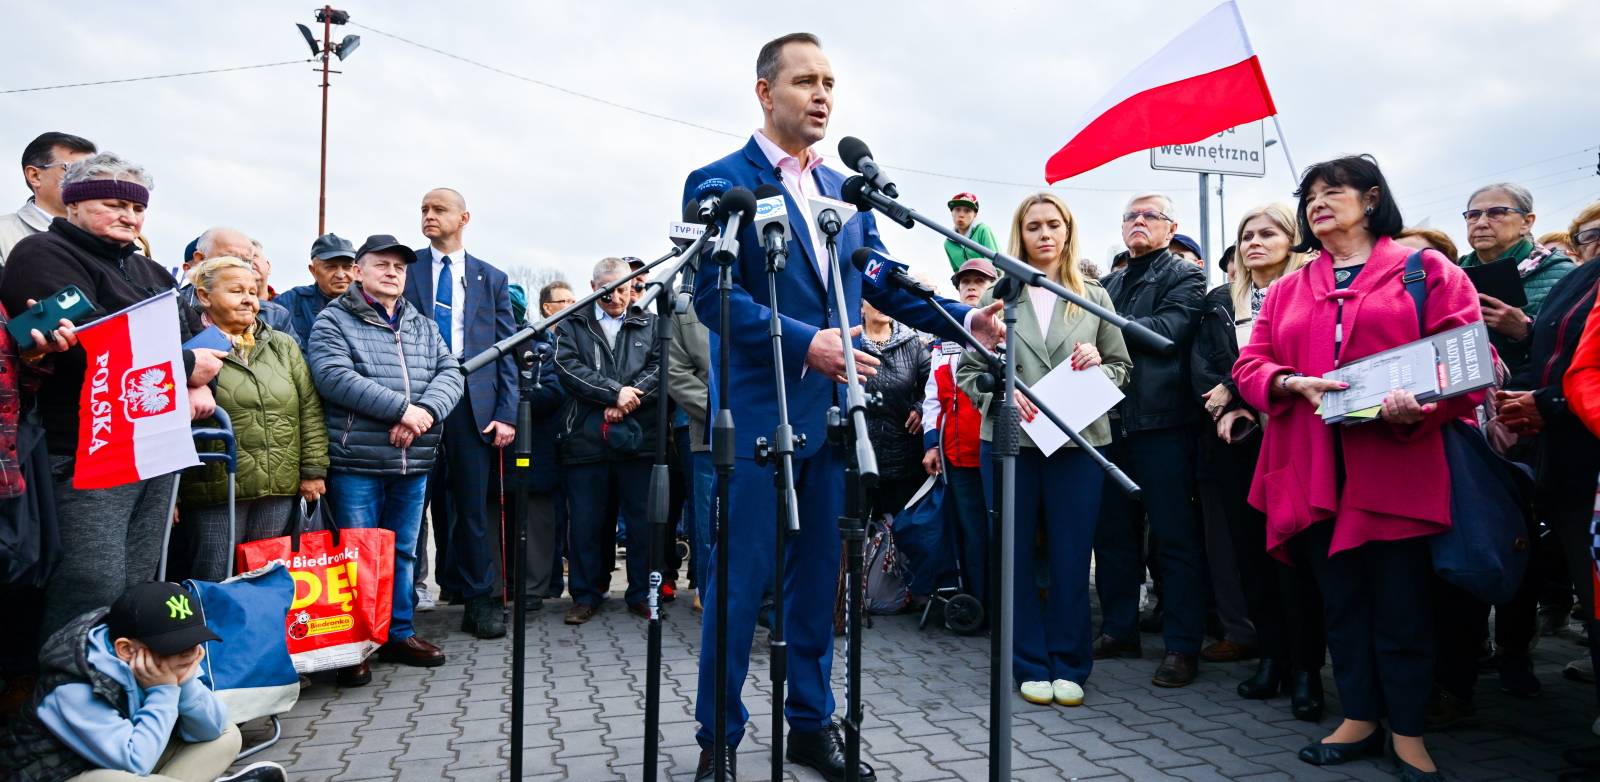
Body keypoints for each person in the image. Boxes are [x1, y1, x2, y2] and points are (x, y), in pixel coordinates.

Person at [682, 32, 1002, 782]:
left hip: (835, 421)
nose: (822, 94)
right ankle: (718, 741)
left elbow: (879, 279)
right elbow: (711, 295)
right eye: (805, 81)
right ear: (766, 92)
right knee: (738, 585)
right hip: (760, 420)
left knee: (819, 581)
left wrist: (965, 323)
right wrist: (806, 343)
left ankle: (809, 725)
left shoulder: (846, 193)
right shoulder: (719, 179)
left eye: (829, 82)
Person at [1234, 154, 1483, 780]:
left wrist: (1417, 407)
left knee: (1402, 605)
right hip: (1311, 467)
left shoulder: (1427, 270)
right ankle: (1360, 717)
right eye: (1309, 196)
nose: (1317, 204)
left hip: (1396, 464)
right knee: (1340, 602)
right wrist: (1290, 382)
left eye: (1332, 192)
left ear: (1371, 199)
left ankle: (1408, 729)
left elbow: (1467, 363)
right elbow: (1249, 366)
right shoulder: (1290, 285)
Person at [0, 152, 221, 639]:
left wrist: (198, 374)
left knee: (137, 580)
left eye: (136, 208)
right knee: (90, 581)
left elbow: (192, 339)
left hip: (155, 445)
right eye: (111, 203)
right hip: (85, 447)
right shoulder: (41, 255)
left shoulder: (152, 273)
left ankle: (126, 685)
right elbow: (90, 341)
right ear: (74, 205)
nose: (128, 216)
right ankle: (69, 694)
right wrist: (186, 370)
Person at [957, 192, 1131, 708]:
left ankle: (1071, 662)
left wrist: (1099, 360)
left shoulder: (1096, 296)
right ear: (1021, 234)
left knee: (1073, 554)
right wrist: (1003, 391)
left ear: (1069, 231)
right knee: (1012, 554)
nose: (1045, 234)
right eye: (1034, 226)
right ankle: (1028, 662)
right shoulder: (998, 297)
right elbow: (967, 373)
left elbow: (1123, 369)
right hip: (1011, 442)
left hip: (1079, 441)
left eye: (1054, 224)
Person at [307, 234, 463, 681]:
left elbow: (450, 372)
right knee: (357, 555)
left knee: (403, 555)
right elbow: (333, 377)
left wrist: (425, 413)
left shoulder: (421, 323)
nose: (392, 272)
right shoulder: (333, 321)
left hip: (412, 462)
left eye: (399, 266)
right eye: (381, 264)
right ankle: (356, 643)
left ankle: (398, 633)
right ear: (358, 271)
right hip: (358, 462)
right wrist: (401, 410)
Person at [1191, 204, 1325, 721]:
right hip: (1241, 443)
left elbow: (1312, 360)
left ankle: (1308, 669)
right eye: (1246, 235)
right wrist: (1235, 402)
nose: (1254, 242)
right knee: (1251, 554)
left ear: (1293, 240)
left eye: (1268, 233)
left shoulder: (1310, 293)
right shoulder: (1222, 301)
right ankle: (1271, 656)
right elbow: (1205, 365)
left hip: (1298, 440)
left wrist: (1240, 390)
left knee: (1298, 559)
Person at [1091, 192, 1208, 688]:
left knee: (1174, 538)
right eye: (1131, 217)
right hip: (1109, 423)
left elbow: (1170, 331)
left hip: (1162, 424)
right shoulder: (1108, 282)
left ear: (1169, 226)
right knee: (1113, 535)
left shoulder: (1186, 275)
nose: (1139, 222)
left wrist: (1103, 337)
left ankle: (1182, 646)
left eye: (1150, 216)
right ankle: (1120, 630)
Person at [0, 581, 290, 782]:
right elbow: (136, 762)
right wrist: (163, 691)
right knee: (119, 778)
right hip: (67, 774)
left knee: (226, 733)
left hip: (128, 760)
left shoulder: (165, 661)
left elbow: (209, 729)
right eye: (175, 646)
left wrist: (185, 682)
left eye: (193, 641)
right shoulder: (73, 685)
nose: (191, 653)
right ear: (126, 649)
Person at [403, 188, 516, 640]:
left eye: (438, 210)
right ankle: (400, 607)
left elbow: (507, 348)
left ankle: (478, 600)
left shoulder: (491, 278)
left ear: (463, 217)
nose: (428, 216)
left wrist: (506, 412)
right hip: (417, 403)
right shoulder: (405, 269)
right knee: (412, 507)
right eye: (424, 210)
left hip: (474, 408)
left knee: (472, 508)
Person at [180, 257, 328, 583]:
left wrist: (313, 470)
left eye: (253, 290)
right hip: (215, 489)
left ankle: (260, 635)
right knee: (213, 577)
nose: (249, 299)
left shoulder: (282, 345)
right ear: (204, 296)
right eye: (236, 291)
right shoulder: (188, 349)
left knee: (264, 577)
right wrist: (170, 495)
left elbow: (309, 409)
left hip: (278, 486)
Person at [551, 258, 660, 625]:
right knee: (586, 524)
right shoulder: (571, 324)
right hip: (585, 440)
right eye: (607, 287)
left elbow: (660, 369)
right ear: (593, 285)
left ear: (633, 287)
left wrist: (630, 398)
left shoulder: (651, 323)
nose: (615, 294)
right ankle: (586, 595)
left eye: (623, 286)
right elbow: (567, 368)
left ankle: (642, 593)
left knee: (643, 522)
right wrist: (614, 394)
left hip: (638, 439)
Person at [921, 258, 996, 606]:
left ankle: (1007, 607)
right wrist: (931, 443)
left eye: (979, 281)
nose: (970, 287)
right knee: (972, 531)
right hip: (957, 453)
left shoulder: (1006, 329)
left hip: (1000, 449)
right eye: (965, 281)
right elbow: (933, 397)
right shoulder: (942, 339)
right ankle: (979, 601)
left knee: (1003, 530)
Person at [1458, 183, 1575, 377]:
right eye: (1473, 215)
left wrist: (1526, 330)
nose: (1481, 223)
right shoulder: (1451, 275)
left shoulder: (1564, 274)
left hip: (1531, 395)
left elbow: (1578, 344)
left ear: (1526, 222)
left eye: (1496, 212)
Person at [667, 268, 714, 609]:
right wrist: (719, 411)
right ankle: (707, 587)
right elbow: (676, 372)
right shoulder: (684, 306)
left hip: (764, 427)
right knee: (706, 513)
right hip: (707, 430)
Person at [859, 301, 930, 517]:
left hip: (903, 456)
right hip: (857, 456)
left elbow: (933, 385)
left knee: (902, 533)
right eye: (873, 299)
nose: (882, 303)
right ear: (860, 306)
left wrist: (920, 407)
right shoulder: (849, 340)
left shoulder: (914, 344)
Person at [537, 281, 577, 600]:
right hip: (547, 437)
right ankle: (551, 581)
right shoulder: (537, 340)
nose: (571, 304)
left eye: (574, 300)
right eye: (564, 301)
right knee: (551, 512)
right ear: (547, 308)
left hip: (577, 437)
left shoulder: (579, 336)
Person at [0, 132, 96, 264]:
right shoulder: (4, 234)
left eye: (94, 172)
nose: (89, 180)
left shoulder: (116, 236)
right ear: (35, 176)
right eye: (75, 169)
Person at [188, 228, 297, 345]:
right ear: (200, 259)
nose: (239, 266)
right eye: (229, 259)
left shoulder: (276, 317)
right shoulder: (174, 312)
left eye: (246, 262)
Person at [278, 233, 357, 349]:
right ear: (313, 271)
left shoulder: (373, 305)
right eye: (331, 267)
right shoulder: (290, 303)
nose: (340, 275)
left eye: (347, 267)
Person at [943, 192, 998, 273]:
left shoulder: (982, 230)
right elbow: (956, 270)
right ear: (952, 212)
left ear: (975, 214)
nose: (961, 214)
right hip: (966, 283)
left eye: (967, 211)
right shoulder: (948, 243)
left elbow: (995, 263)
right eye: (957, 209)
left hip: (989, 281)